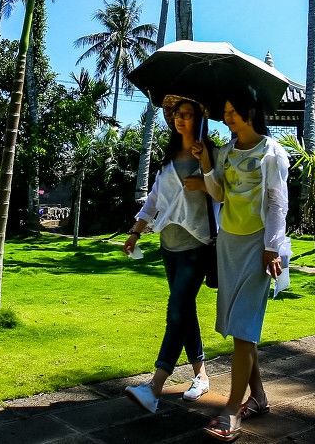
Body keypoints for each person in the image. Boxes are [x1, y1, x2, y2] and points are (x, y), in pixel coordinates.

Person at [200, 86, 289, 442]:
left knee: (244, 325)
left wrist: (272, 247)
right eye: (224, 111)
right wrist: (207, 164)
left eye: (231, 111)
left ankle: (233, 409)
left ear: (250, 112)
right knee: (241, 328)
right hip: (229, 243)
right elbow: (219, 194)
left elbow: (277, 204)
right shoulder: (225, 153)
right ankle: (260, 398)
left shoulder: (272, 153)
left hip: (258, 245)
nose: (226, 117)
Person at [121, 97, 216, 413]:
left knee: (175, 310)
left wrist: (204, 175)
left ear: (199, 119)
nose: (180, 119)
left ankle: (155, 387)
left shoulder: (209, 154)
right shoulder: (168, 159)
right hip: (169, 247)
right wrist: (136, 232)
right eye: (177, 114)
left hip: (196, 246)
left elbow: (221, 191)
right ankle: (201, 375)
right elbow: (153, 201)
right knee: (184, 310)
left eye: (187, 114)